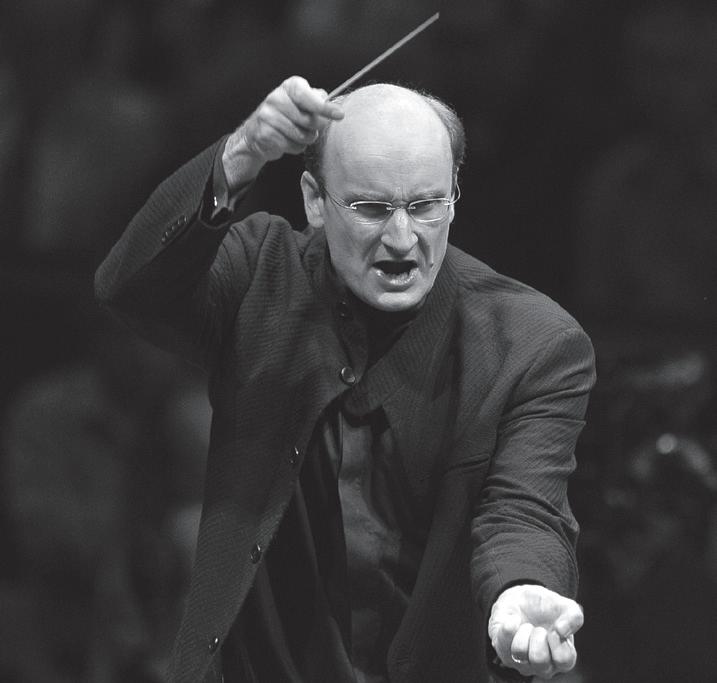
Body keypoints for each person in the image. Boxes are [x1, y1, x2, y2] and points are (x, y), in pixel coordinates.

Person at [95, 76, 595, 683]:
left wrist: (519, 590)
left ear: (454, 196)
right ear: (314, 200)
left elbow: (523, 508)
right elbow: (130, 288)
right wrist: (241, 153)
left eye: (426, 205)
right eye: (371, 209)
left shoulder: (534, 343)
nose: (402, 239)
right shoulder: (261, 272)